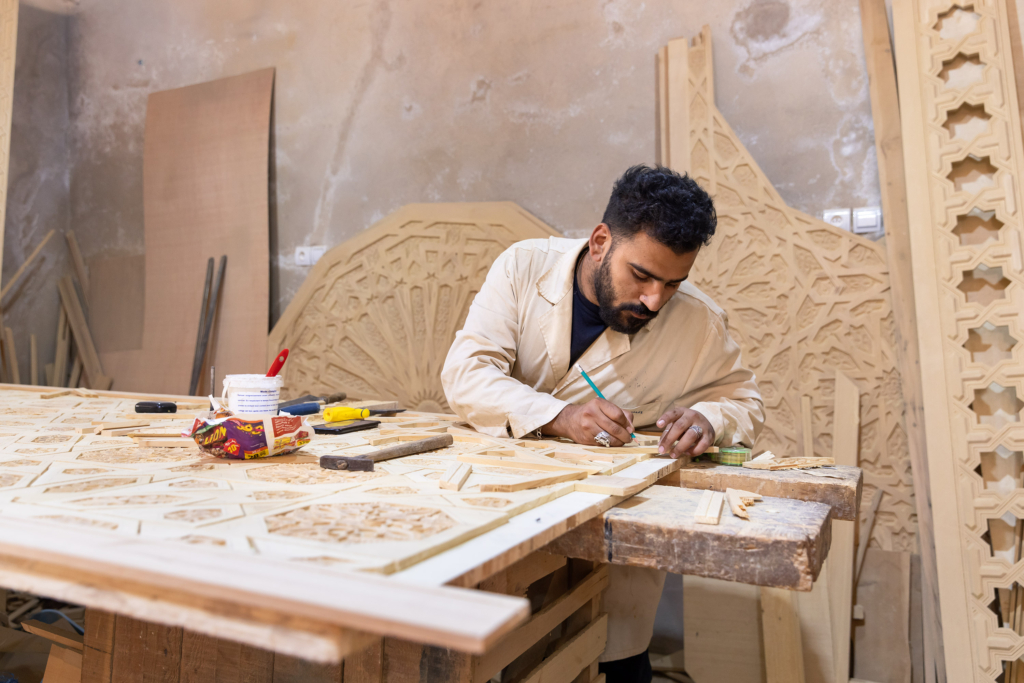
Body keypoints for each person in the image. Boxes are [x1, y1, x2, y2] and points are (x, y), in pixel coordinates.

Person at [441, 164, 764, 683]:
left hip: (609, 549)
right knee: (504, 659)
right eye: (641, 275)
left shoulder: (698, 321)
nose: (655, 300)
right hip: (502, 517)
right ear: (599, 242)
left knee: (612, 657)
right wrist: (560, 417)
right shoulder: (524, 268)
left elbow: (743, 399)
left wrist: (710, 418)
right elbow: (465, 373)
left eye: (673, 283)